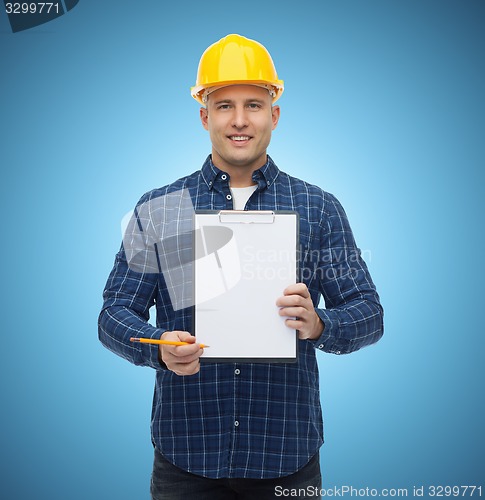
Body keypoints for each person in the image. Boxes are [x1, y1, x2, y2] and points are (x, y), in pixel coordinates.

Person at [98, 34, 384, 499]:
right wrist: (159, 348)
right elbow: (113, 314)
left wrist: (319, 324)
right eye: (224, 104)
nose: (239, 120)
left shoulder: (319, 208)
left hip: (286, 460)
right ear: (203, 115)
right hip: (185, 457)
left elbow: (369, 312)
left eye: (253, 104)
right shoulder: (159, 208)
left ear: (274, 113)